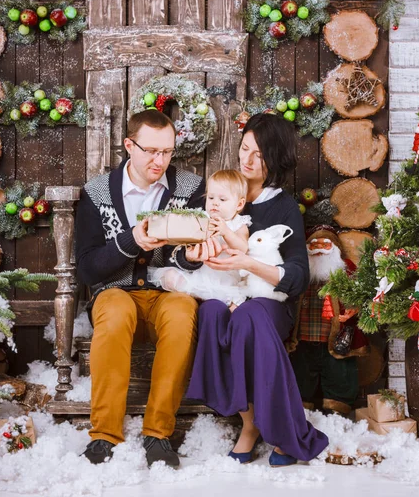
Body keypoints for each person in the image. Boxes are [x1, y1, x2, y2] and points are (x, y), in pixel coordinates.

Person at [186, 113, 329, 466]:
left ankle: (285, 430)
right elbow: (185, 250)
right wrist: (192, 255)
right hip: (223, 294)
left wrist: (246, 262)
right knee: (212, 312)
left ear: (275, 160)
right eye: (245, 150)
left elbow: (297, 276)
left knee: (249, 316)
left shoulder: (282, 205)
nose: (247, 161)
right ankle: (249, 424)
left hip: (269, 303)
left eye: (259, 156)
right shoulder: (218, 195)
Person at [75, 110, 205, 468]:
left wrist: (191, 258)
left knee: (182, 313)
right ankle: (104, 435)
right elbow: (87, 268)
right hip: (115, 293)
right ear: (129, 146)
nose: (159, 161)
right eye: (150, 151)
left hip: (168, 293)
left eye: (167, 152)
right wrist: (131, 241)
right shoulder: (97, 192)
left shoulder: (190, 189)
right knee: (115, 311)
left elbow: (192, 255)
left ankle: (158, 433)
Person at [287, 226, 369, 416]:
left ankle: (338, 411)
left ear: (335, 248)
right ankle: (301, 413)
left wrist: (352, 307)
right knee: (301, 376)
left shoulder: (346, 271)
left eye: (325, 244)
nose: (319, 249)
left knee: (340, 376)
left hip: (335, 339)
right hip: (303, 338)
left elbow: (360, 297)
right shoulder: (301, 273)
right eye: (314, 245)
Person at [148, 169, 251, 308]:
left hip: (224, 277)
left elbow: (243, 248)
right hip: (201, 273)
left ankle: (220, 297)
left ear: (239, 204)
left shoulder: (238, 224)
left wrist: (226, 232)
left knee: (229, 296)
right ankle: (206, 295)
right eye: (211, 197)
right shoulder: (202, 218)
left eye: (222, 199)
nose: (215, 203)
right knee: (170, 276)